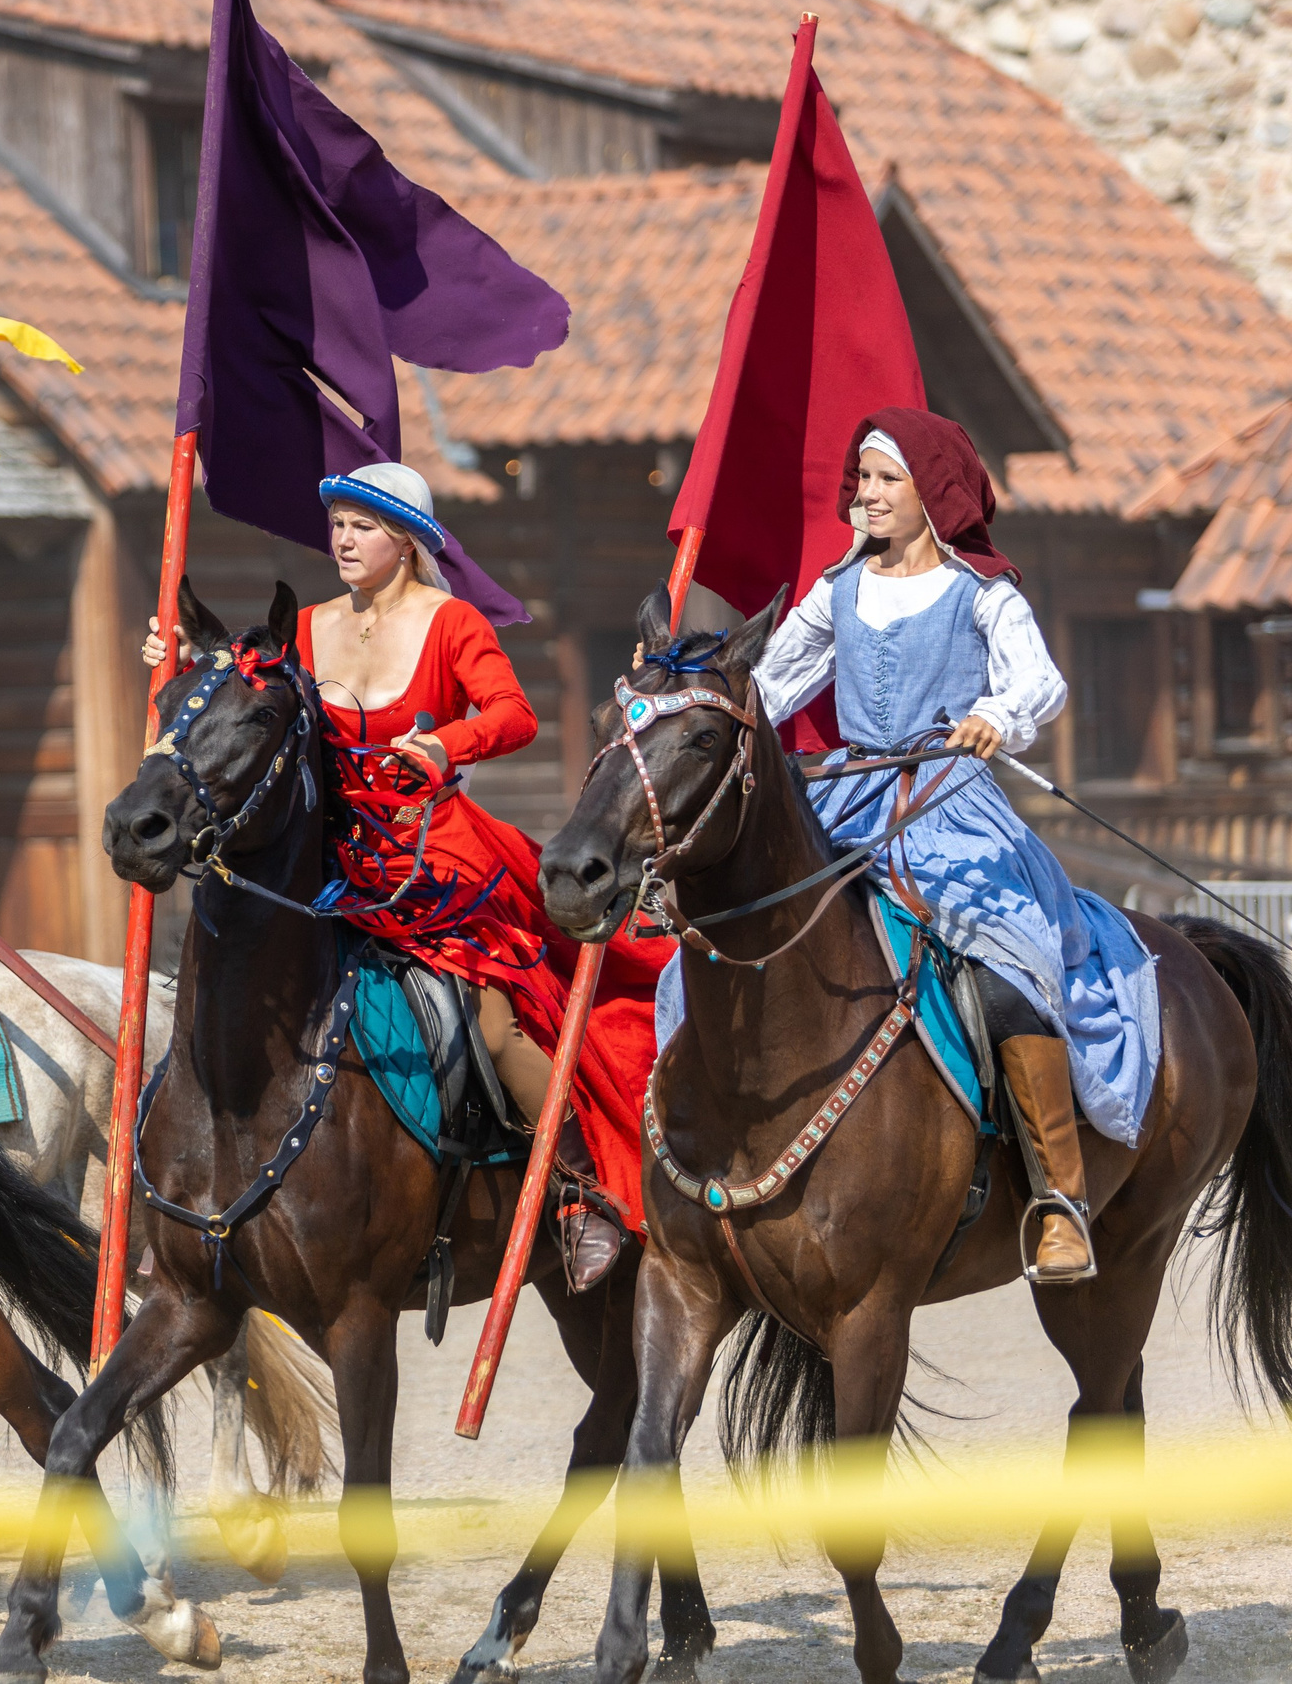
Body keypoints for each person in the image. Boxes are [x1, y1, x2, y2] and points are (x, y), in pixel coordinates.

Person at [145, 462, 667, 1292]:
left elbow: (514, 714)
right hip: (326, 853)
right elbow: (247, 698)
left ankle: (579, 1188)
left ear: (408, 542)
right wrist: (182, 662)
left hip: (433, 852)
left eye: (363, 526)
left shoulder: (451, 622)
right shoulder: (307, 627)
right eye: (338, 525)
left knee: (488, 1021)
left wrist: (443, 744)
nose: (343, 540)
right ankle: (192, 1195)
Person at [748, 407, 1160, 1282]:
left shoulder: (984, 590)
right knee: (738, 949)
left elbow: (1039, 684)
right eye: (861, 478)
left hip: (951, 808)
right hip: (849, 809)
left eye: (885, 479)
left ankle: (1058, 1199)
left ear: (931, 492)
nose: (866, 495)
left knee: (1011, 968)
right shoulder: (838, 587)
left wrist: (994, 716)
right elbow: (766, 687)